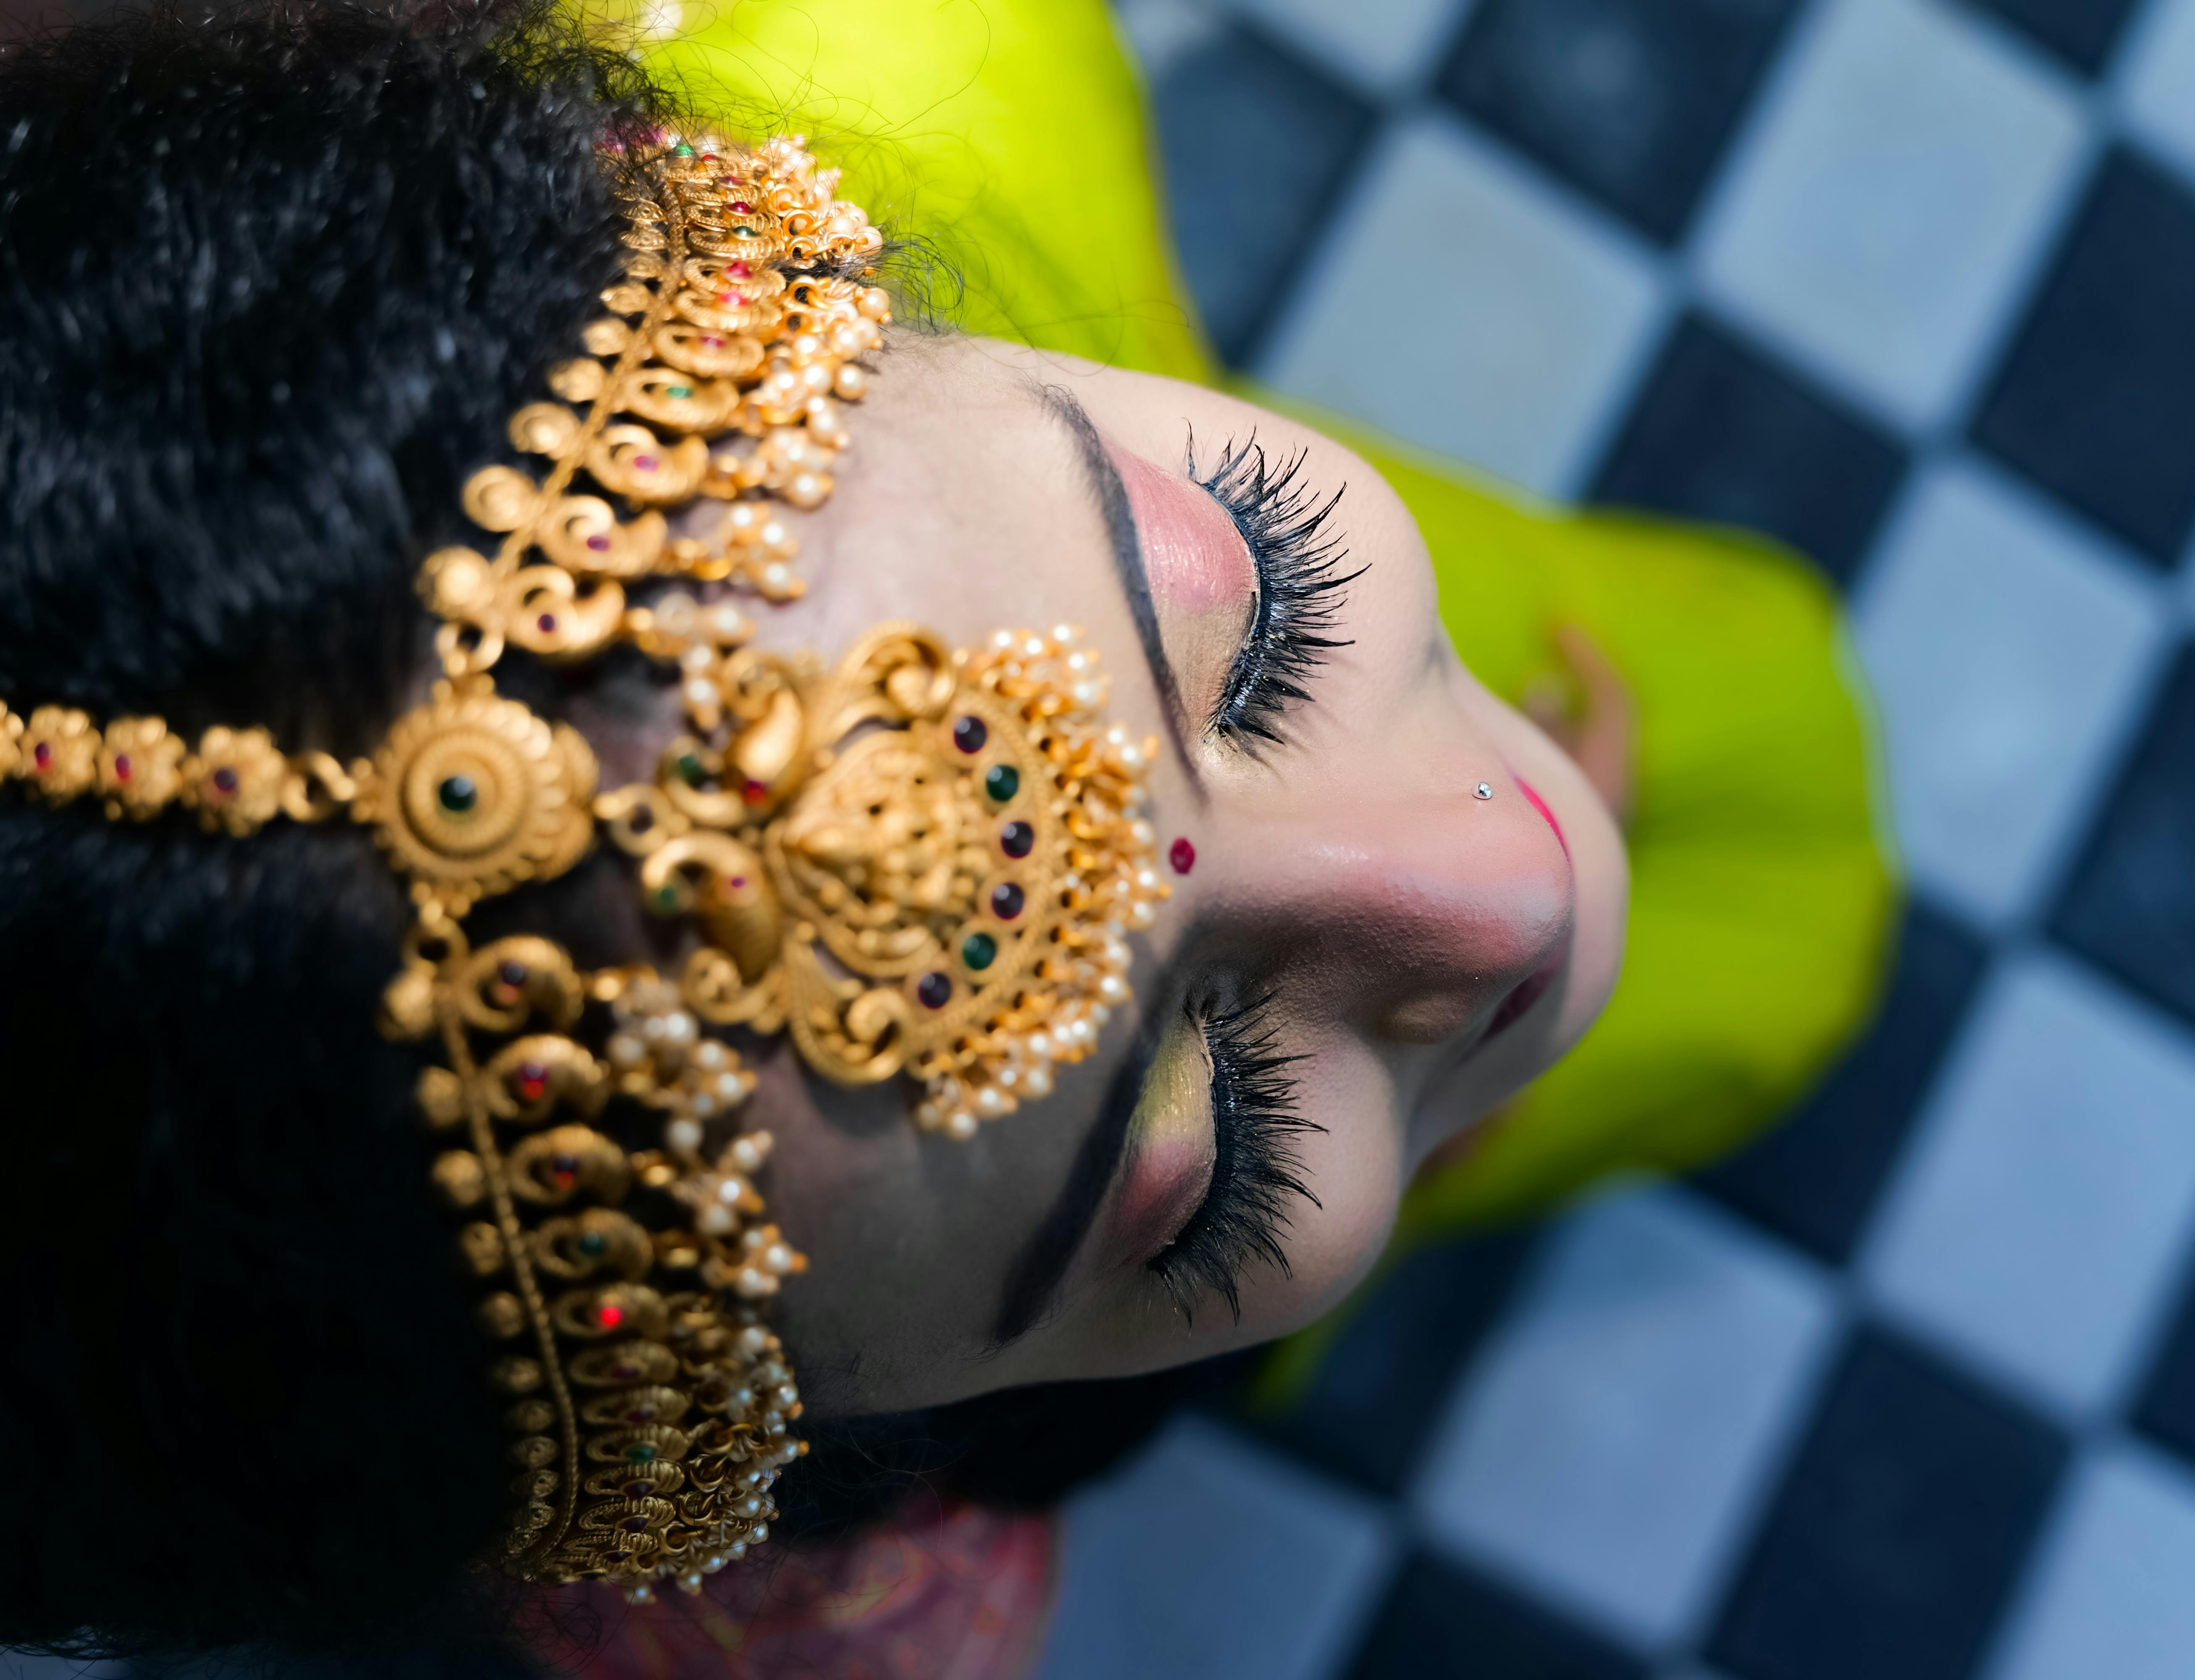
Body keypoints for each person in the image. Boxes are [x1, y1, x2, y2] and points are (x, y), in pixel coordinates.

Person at [0, 0, 1889, 1673]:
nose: (1511, 881)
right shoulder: (839, 1634)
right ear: (836, 1449)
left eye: (1271, 618)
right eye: (1213, 1150)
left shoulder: (906, 36)